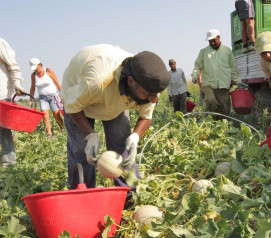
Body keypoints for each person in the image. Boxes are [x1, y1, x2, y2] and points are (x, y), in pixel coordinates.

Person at [60, 44, 170, 205]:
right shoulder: (98, 82)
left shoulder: (149, 85)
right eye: (148, 95)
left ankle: (129, 194)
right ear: (131, 81)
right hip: (80, 96)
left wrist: (134, 138)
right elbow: (72, 107)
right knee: (80, 150)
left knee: (122, 144)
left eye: (155, 95)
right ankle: (82, 196)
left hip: (113, 101)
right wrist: (90, 136)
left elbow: (146, 116)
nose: (153, 99)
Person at [191, 29, 245, 115]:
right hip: (209, 84)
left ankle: (222, 126)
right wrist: (194, 75)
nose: (212, 43)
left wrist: (238, 81)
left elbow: (233, 67)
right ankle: (212, 123)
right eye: (210, 41)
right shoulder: (204, 52)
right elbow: (198, 66)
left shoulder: (227, 51)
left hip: (224, 84)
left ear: (219, 37)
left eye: (214, 40)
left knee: (223, 108)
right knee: (212, 102)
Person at [0, 38, 26, 168]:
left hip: (2, 94)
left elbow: (12, 65)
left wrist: (16, 83)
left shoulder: (0, 43)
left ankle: (8, 162)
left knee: (3, 130)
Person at [29, 58, 64, 138]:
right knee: (45, 115)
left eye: (36, 68)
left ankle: (62, 130)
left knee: (56, 115)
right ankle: (49, 134)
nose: (35, 70)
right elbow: (33, 88)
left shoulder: (48, 71)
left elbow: (57, 83)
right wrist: (30, 99)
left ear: (40, 65)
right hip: (42, 98)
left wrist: (62, 94)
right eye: (33, 69)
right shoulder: (33, 75)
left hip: (53, 96)